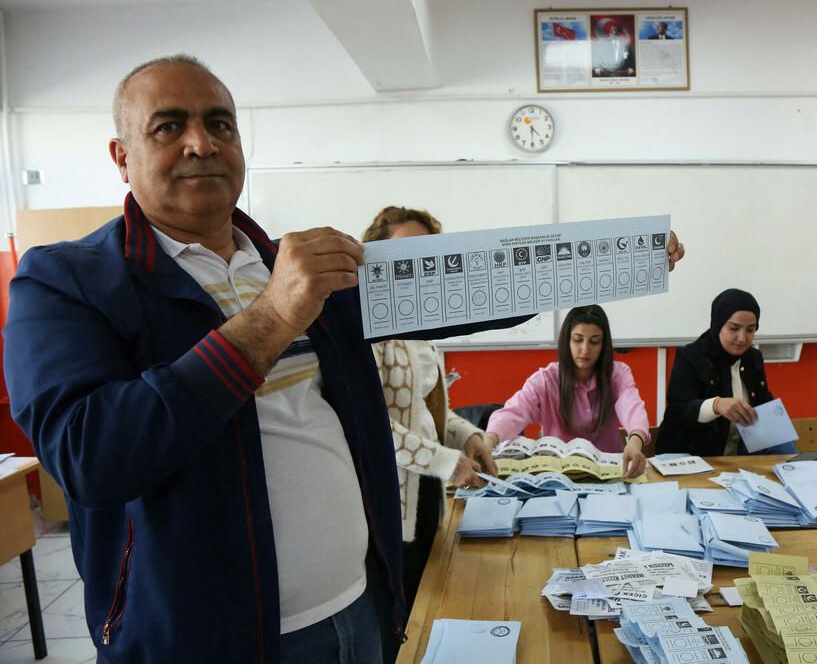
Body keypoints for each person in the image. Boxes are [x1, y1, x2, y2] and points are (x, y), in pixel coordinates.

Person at [0, 55, 547, 664]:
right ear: (121, 156)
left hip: (360, 611)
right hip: (199, 648)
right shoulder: (65, 280)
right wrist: (271, 319)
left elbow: (453, 293)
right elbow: (90, 456)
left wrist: (606, 262)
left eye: (220, 124)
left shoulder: (293, 261)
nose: (201, 143)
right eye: (168, 126)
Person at [363, 205, 498, 608]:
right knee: (399, 613)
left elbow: (427, 413)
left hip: (427, 493)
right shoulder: (367, 326)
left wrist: (469, 437)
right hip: (388, 502)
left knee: (427, 598)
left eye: (427, 254)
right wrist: (445, 461)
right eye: (405, 251)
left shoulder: (422, 328)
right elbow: (369, 428)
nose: (415, 264)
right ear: (375, 256)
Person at [484, 305, 650, 478]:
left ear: (604, 344)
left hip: (608, 472)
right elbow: (514, 411)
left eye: (594, 341)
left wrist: (635, 440)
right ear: (567, 340)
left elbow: (631, 406)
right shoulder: (546, 379)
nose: (585, 349)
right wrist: (490, 441)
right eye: (578, 339)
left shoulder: (617, 374)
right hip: (558, 474)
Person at [657, 288, 798, 457]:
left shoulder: (753, 358)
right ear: (718, 325)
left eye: (750, 330)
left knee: (785, 446)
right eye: (733, 328)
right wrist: (716, 405)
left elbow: (764, 408)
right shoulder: (691, 356)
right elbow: (680, 410)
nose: (742, 338)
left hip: (739, 459)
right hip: (693, 455)